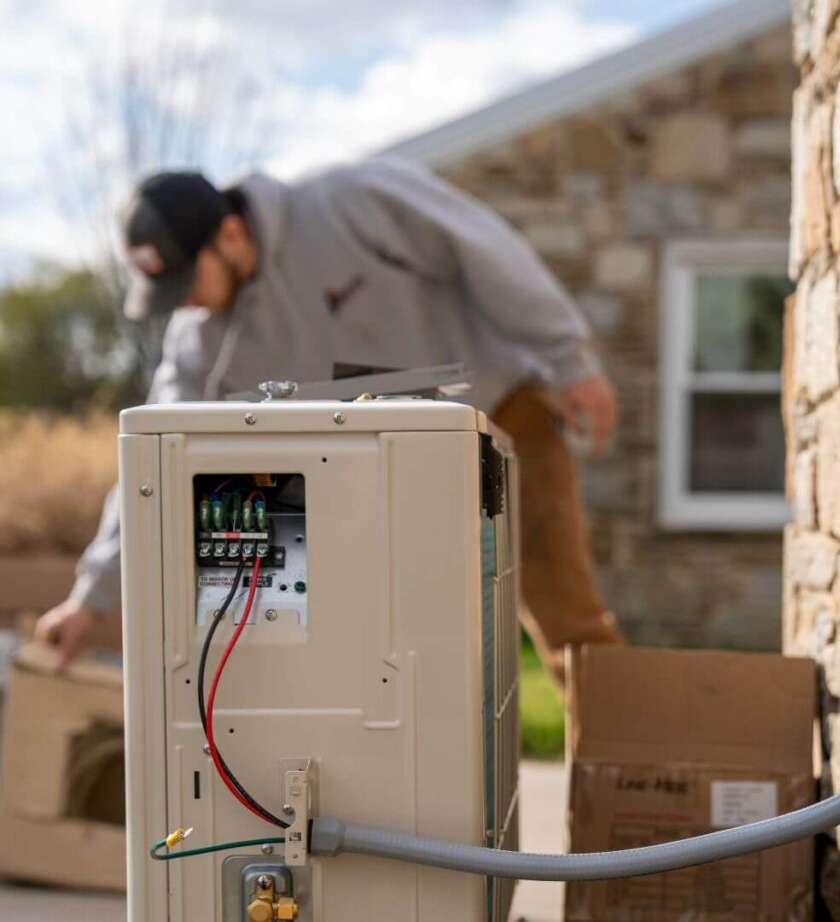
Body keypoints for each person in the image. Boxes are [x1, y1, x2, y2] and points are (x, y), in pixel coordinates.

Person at [36, 162, 622, 682]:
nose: (184, 304)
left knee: (569, 625)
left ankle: (619, 788)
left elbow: (488, 251)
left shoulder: (351, 202)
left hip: (500, 412)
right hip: (391, 470)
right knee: (403, 661)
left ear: (231, 234)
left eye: (187, 282)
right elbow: (150, 461)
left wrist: (571, 362)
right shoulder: (202, 343)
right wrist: (91, 597)